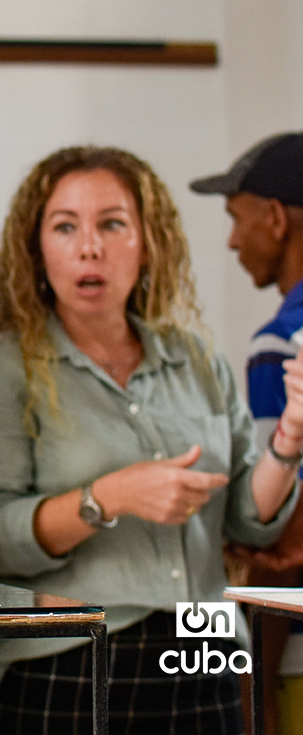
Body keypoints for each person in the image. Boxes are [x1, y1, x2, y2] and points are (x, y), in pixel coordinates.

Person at [0, 144, 303, 734]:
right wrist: (108, 497)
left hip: (208, 648)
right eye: (66, 227)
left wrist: (290, 436)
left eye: (112, 224)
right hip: (67, 657)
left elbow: (249, 522)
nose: (90, 246)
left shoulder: (196, 358)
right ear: (36, 251)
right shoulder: (3, 366)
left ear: (148, 242)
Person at [192, 131, 303, 735]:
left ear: (277, 218)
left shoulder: (282, 344)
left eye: (238, 219)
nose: (233, 240)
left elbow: (283, 535)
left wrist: (247, 690)